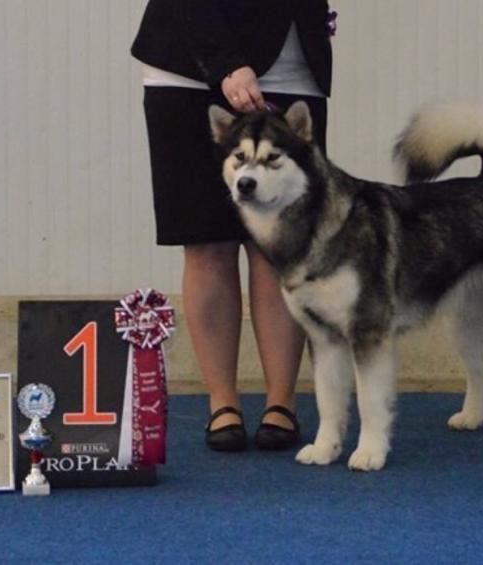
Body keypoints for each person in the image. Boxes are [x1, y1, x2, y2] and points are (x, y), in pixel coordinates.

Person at [131, 1, 332, 451]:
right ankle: (222, 403)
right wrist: (224, 63)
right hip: (191, 71)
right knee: (207, 242)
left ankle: (282, 402)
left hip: (294, 71)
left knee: (281, 250)